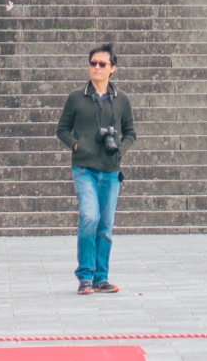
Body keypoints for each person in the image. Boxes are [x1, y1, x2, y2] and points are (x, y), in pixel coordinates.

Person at [55, 42, 135, 294]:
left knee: (106, 225)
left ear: (113, 69)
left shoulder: (120, 100)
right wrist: (76, 145)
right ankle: (85, 276)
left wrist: (121, 149)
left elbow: (131, 132)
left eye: (102, 64)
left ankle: (102, 277)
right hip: (84, 169)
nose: (97, 68)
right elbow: (62, 130)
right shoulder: (76, 98)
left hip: (111, 170)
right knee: (89, 217)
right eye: (93, 63)